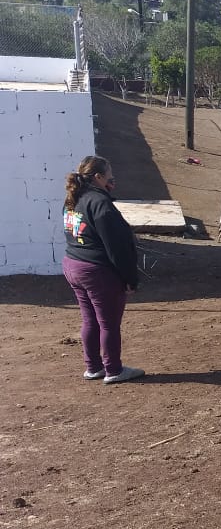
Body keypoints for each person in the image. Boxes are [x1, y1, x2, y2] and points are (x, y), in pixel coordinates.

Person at [62, 155, 145, 384]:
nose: (112, 178)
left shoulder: (73, 198)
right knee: (108, 323)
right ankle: (114, 370)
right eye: (109, 174)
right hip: (96, 270)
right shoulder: (99, 203)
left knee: (90, 320)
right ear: (98, 177)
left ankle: (94, 367)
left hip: (73, 264)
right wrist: (130, 278)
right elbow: (116, 245)